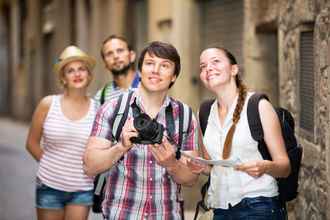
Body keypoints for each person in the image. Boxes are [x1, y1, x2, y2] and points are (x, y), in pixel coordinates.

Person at [83, 41, 199, 219]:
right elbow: (89, 166)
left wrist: (172, 164)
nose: (155, 70)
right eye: (150, 63)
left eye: (165, 66)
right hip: (121, 214)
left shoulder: (184, 115)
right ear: (140, 71)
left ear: (174, 76)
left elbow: (191, 179)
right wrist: (120, 147)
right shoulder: (113, 109)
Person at [189, 47, 291, 220]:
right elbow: (212, 166)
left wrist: (265, 167)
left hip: (259, 206)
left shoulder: (258, 106)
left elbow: (285, 167)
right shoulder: (204, 112)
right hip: (219, 209)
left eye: (215, 61)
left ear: (234, 69)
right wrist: (200, 167)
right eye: (203, 66)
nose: (208, 68)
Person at [26, 46, 98, 220]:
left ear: (88, 75)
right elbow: (31, 143)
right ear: (63, 78)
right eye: (70, 71)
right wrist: (51, 166)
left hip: (82, 188)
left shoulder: (98, 109)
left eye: (81, 69)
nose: (77, 74)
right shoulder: (48, 104)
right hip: (49, 184)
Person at [94, 35, 140, 103]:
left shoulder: (150, 83)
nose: (115, 56)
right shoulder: (101, 97)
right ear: (105, 63)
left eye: (120, 51)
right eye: (109, 53)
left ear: (132, 56)